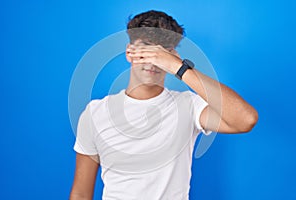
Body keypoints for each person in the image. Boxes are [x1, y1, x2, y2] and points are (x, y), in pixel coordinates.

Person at [69, 10, 258, 200]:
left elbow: (245, 119)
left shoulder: (189, 106)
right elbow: (80, 193)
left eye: (162, 51)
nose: (153, 59)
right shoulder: (95, 113)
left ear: (172, 55)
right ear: (129, 52)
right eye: (146, 48)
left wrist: (180, 68)